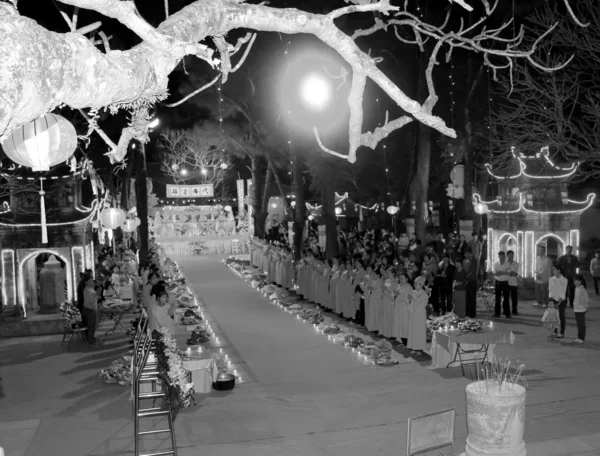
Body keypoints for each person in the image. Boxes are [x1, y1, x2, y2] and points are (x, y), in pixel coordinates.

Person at [408, 276, 428, 353]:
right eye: (415, 283)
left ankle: (420, 348)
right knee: (413, 330)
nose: (415, 285)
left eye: (416, 284)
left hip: (419, 314)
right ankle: (414, 347)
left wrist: (412, 300)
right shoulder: (414, 292)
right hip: (413, 313)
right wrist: (410, 301)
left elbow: (422, 305)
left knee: (419, 330)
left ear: (421, 284)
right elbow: (411, 302)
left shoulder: (424, 294)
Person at [549, 265, 568, 339]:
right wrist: (551, 301)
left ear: (559, 270)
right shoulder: (551, 279)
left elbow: (563, 292)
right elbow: (550, 291)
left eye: (554, 269)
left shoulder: (564, 280)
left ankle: (562, 332)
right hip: (553, 299)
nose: (552, 271)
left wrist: (559, 302)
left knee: (561, 316)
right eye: (552, 270)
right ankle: (555, 331)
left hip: (561, 300)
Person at [393, 272, 413, 345]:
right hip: (398, 308)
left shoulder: (408, 287)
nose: (401, 279)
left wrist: (399, 295)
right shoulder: (398, 286)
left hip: (404, 308)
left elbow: (409, 299)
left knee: (404, 324)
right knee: (399, 323)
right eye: (400, 278)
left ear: (407, 279)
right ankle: (400, 338)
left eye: (402, 278)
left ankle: (406, 339)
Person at [82, 277, 100, 347]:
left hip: (93, 309)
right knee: (91, 326)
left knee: (93, 326)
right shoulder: (87, 290)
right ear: (86, 282)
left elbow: (95, 298)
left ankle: (92, 339)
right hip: (89, 309)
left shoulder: (91, 289)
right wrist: (97, 295)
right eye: (90, 281)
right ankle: (91, 342)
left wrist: (97, 295)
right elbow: (90, 301)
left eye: (92, 280)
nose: (92, 282)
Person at [572, 274, 589, 344]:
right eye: (574, 281)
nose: (574, 282)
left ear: (580, 282)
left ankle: (581, 338)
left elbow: (587, 299)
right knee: (579, 324)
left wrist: (586, 306)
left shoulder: (582, 289)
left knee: (581, 324)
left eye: (576, 281)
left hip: (581, 310)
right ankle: (579, 337)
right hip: (576, 309)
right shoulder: (576, 288)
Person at [493, 251, 511, 318]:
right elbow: (494, 273)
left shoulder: (507, 264)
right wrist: (503, 272)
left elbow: (508, 273)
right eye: (500, 256)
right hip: (498, 282)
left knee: (506, 298)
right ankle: (497, 313)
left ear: (504, 256)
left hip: (505, 282)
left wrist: (500, 272)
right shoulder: (496, 264)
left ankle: (507, 314)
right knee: (497, 299)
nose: (501, 258)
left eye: (502, 256)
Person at [463, 249, 478, 318]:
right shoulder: (464, 261)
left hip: (472, 281)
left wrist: (465, 278)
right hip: (466, 281)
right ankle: (467, 312)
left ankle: (472, 313)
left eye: (468, 253)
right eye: (465, 253)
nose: (466, 255)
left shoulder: (474, 261)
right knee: (467, 297)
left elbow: (471, 271)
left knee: (472, 297)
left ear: (471, 254)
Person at [506, 250, 519, 315]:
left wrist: (509, 273)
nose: (511, 256)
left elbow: (515, 273)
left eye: (512, 255)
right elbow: (505, 273)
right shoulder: (505, 263)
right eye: (510, 255)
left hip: (514, 282)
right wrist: (510, 273)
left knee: (514, 298)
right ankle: (506, 310)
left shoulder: (516, 263)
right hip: (506, 282)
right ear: (507, 255)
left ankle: (514, 310)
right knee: (506, 297)